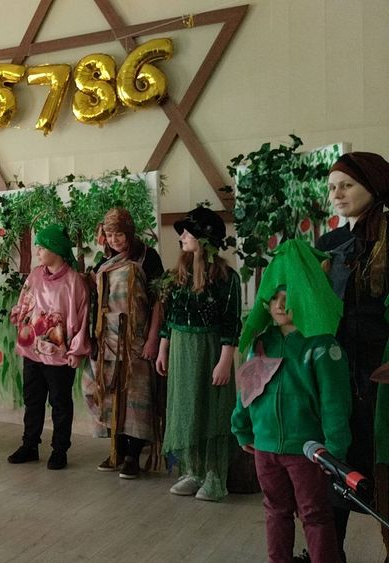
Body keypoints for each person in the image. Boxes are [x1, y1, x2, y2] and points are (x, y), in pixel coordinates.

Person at [232, 239, 350, 563]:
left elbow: (335, 403)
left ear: (305, 294)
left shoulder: (322, 347)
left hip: (307, 451)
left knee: (315, 514)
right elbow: (248, 389)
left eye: (288, 297)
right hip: (265, 446)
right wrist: (242, 427)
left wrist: (335, 451)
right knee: (275, 510)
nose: (280, 305)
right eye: (274, 298)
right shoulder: (260, 343)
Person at [315, 151, 389, 559]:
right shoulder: (329, 245)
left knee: (382, 467)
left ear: (373, 186)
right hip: (338, 374)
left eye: (346, 185)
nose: (337, 194)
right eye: (332, 188)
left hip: (382, 376)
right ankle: (330, 554)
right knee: (334, 466)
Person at [156, 207, 241, 502]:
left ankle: (215, 475)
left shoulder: (226, 277)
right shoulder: (176, 275)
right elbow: (169, 316)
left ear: (204, 239)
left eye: (188, 233)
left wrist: (225, 361)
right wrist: (163, 348)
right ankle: (192, 470)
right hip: (181, 349)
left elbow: (231, 322)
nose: (182, 237)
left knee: (210, 408)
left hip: (210, 348)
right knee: (185, 406)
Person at [83, 207, 164, 478]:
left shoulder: (147, 257)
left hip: (135, 338)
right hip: (107, 338)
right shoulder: (103, 261)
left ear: (129, 232)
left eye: (119, 234)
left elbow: (159, 301)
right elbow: (97, 302)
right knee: (107, 394)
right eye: (109, 235)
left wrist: (152, 339)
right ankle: (116, 450)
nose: (114, 240)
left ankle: (133, 456)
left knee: (135, 397)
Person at [5, 223, 90, 470]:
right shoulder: (34, 275)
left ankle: (59, 450)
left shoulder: (74, 282)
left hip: (59, 355)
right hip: (33, 352)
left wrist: (76, 350)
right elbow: (24, 301)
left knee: (60, 403)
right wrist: (19, 316)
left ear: (56, 249)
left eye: (42, 247)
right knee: (33, 400)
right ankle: (29, 445)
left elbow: (83, 317)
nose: (38, 251)